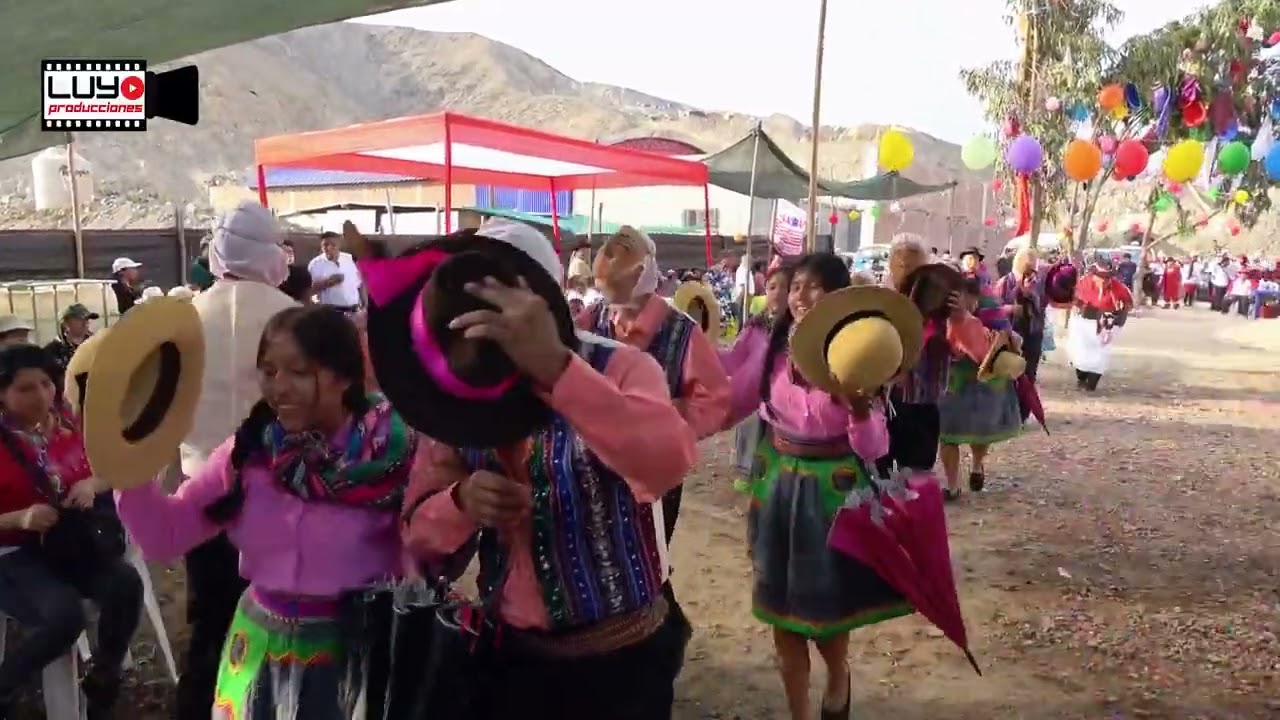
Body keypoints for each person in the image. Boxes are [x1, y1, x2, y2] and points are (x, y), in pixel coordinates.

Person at [385, 221, 695, 718]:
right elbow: (417, 534)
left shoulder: (621, 369)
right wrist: (461, 503)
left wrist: (556, 369)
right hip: (512, 661)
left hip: (624, 661)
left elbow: (665, 464)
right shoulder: (457, 394)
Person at [116, 305, 418, 719]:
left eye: (298, 371)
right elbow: (164, 534)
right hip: (257, 651)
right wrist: (128, 463)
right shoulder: (251, 455)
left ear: (345, 376)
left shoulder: (395, 457)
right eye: (269, 371)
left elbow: (432, 555)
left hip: (353, 655)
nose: (279, 387)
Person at [718, 252, 916, 720]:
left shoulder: (859, 351)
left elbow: (871, 449)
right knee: (781, 616)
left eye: (813, 287)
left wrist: (861, 411)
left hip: (832, 495)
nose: (800, 296)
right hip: (778, 488)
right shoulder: (770, 347)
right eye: (795, 287)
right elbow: (726, 385)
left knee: (824, 615)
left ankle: (838, 674)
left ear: (836, 295)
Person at [172, 200, 299, 720]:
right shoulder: (293, 320)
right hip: (277, 493)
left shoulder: (184, 319)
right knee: (275, 616)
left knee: (209, 619)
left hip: (199, 488)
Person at [579, 225, 730, 648]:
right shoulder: (591, 321)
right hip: (589, 462)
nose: (615, 300)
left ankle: (651, 638)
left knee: (645, 555)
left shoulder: (681, 333)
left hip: (654, 473)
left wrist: (667, 423)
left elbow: (714, 400)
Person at [0, 344, 142, 720]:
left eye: (46, 384)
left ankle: (104, 679)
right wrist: (19, 518)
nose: (41, 396)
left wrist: (92, 485)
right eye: (25, 388)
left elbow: (110, 469)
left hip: (67, 544)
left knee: (126, 585)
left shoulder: (67, 423)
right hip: (13, 554)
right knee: (63, 616)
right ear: (2, 393)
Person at [937, 278, 1024, 499]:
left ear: (973, 296)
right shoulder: (939, 309)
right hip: (954, 379)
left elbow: (1009, 338)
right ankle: (952, 485)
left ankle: (976, 466)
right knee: (947, 434)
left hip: (986, 379)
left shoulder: (990, 307)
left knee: (980, 432)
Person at [1066, 257, 1133, 392]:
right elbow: (1072, 299)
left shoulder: (1118, 287)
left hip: (1104, 324)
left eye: (1107, 276)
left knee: (1101, 354)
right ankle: (1081, 378)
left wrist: (1121, 311)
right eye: (1100, 276)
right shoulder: (1083, 283)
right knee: (1081, 352)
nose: (1104, 279)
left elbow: (1128, 304)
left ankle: (1092, 383)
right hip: (1084, 322)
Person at [993, 248, 1046, 380]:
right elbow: (994, 309)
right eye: (1028, 262)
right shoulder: (1005, 282)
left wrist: (1031, 294)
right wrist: (1011, 309)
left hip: (1033, 334)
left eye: (1033, 262)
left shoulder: (1038, 283)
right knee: (1011, 375)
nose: (1031, 265)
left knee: (1029, 374)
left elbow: (1043, 305)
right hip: (1012, 333)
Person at [307, 232, 363, 312]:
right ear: (321, 246)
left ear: (339, 245)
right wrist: (327, 282)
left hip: (353, 309)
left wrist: (364, 302)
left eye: (333, 245)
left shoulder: (349, 259)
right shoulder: (315, 264)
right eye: (325, 245)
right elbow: (309, 290)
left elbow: (360, 282)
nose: (329, 248)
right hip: (330, 310)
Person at [43, 303, 99, 382]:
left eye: (87, 319)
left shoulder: (97, 346)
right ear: (66, 324)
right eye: (80, 319)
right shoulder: (52, 351)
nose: (85, 323)